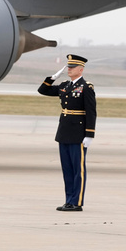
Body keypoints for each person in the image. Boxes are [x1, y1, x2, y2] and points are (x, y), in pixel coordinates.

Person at [37, 54, 96, 212]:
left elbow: (91, 112)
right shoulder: (65, 85)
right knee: (67, 169)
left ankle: (76, 202)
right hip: (64, 132)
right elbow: (43, 90)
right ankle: (69, 201)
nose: (69, 69)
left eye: (72, 67)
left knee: (78, 170)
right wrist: (53, 77)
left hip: (78, 133)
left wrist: (89, 134)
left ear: (81, 69)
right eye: (68, 67)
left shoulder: (86, 87)